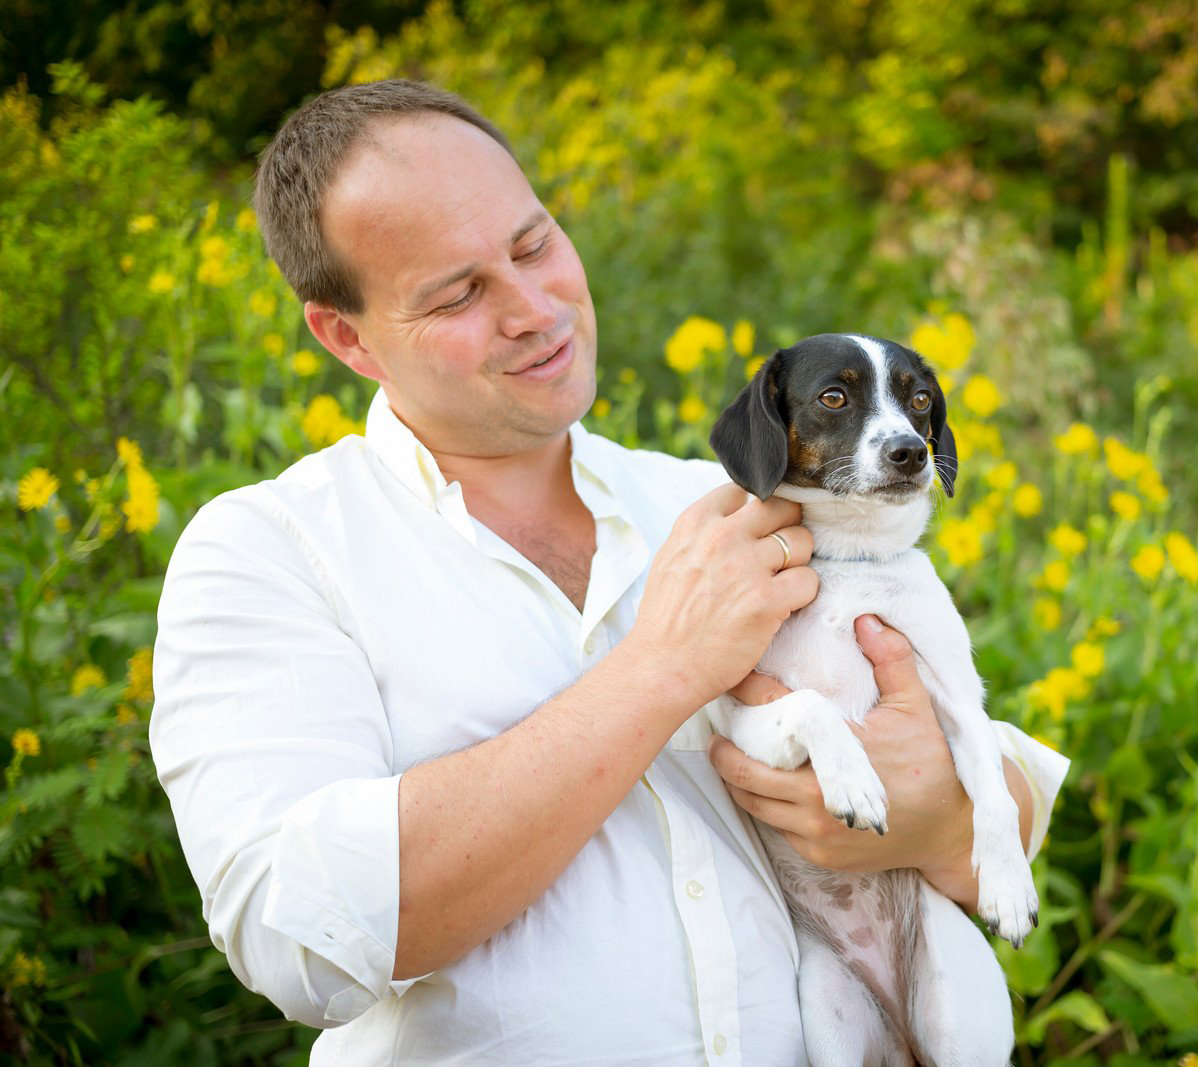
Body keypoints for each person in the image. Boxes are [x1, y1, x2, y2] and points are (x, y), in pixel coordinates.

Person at [150, 80, 1069, 1065]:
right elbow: (298, 938)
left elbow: (1004, 787)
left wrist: (935, 812)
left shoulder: (730, 502)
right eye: (458, 293)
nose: (533, 307)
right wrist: (661, 668)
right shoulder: (268, 551)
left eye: (534, 243)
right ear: (344, 334)